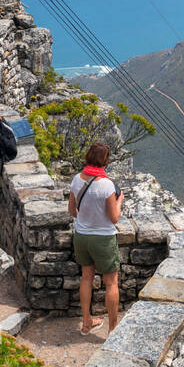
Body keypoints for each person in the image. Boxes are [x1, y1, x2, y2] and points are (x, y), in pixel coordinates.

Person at [67, 142, 123, 335]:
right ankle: (113, 329)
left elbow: (72, 211)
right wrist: (119, 201)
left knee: (86, 278)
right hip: (103, 239)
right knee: (111, 283)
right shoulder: (106, 185)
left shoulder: (76, 179)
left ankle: (86, 322)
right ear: (105, 161)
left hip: (81, 236)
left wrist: (87, 217)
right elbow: (114, 217)